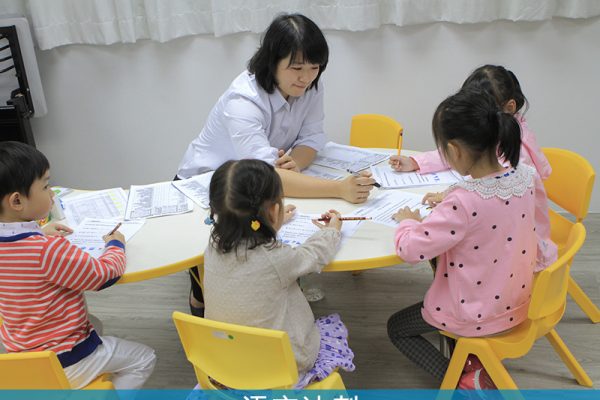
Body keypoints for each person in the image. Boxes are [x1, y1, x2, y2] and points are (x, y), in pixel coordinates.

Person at [177, 13, 375, 315]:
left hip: (258, 181)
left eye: (314, 67)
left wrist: (292, 165)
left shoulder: (311, 86)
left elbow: (311, 139)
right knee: (217, 265)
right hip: (207, 185)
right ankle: (199, 299)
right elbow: (266, 177)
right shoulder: (243, 100)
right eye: (296, 67)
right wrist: (339, 189)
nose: (306, 77)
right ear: (272, 61)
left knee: (271, 244)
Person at [387, 89, 540, 389]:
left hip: (474, 315)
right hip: (518, 303)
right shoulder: (524, 177)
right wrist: (446, 202)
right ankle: (470, 363)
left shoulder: (463, 202)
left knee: (396, 328)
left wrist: (407, 220)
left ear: (454, 150)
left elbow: (409, 250)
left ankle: (462, 384)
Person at [0, 141, 156, 389]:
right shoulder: (47, 250)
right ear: (17, 201)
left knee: (95, 323)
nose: (52, 194)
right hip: (65, 359)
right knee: (144, 358)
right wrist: (116, 244)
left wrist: (40, 232)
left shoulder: (27, 244)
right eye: (46, 186)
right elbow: (103, 275)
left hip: (24, 355)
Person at [202, 159, 355, 388]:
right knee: (331, 327)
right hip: (281, 369)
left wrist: (269, 222)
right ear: (273, 211)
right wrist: (332, 230)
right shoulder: (275, 257)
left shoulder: (212, 247)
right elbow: (313, 255)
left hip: (227, 364)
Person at [389, 64, 556, 271]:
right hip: (517, 258)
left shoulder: (515, 155)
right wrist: (418, 162)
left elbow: (411, 249)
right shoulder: (507, 149)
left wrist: (409, 221)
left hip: (509, 259)